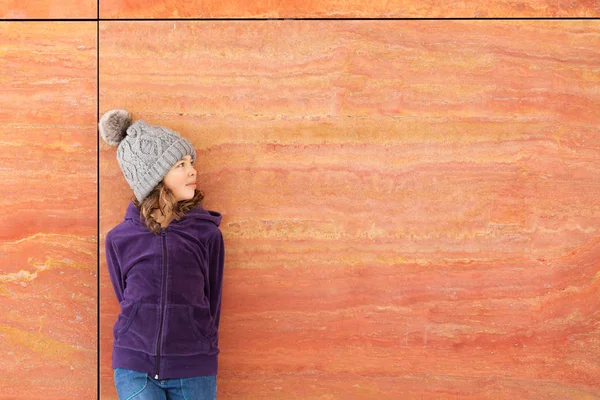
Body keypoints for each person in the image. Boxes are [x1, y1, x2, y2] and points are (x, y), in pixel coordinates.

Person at [99, 109, 225, 400]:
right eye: (181, 164)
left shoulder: (207, 234)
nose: (192, 170)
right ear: (154, 178)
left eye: (191, 162)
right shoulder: (120, 239)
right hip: (135, 368)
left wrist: (202, 341)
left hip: (194, 368)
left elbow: (213, 299)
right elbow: (124, 295)